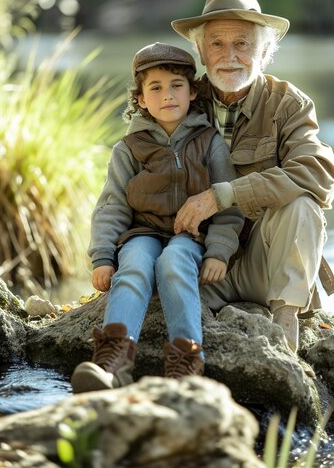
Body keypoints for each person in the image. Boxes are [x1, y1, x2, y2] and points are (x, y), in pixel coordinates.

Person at [171, 0, 334, 354]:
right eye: (217, 44)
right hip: (200, 264)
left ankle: (285, 335)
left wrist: (223, 196)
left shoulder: (288, 104)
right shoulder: (178, 100)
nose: (229, 57)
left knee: (303, 206)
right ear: (200, 50)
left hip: (264, 267)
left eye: (243, 44)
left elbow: (318, 172)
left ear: (264, 51)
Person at [71, 42, 244, 393]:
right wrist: (103, 257)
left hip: (190, 236)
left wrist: (218, 251)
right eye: (156, 88)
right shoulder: (129, 147)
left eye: (176, 86)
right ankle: (112, 362)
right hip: (142, 232)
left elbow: (229, 202)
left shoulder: (208, 141)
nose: (168, 95)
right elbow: (112, 205)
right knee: (133, 265)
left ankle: (186, 363)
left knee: (173, 263)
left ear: (193, 92)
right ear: (140, 99)